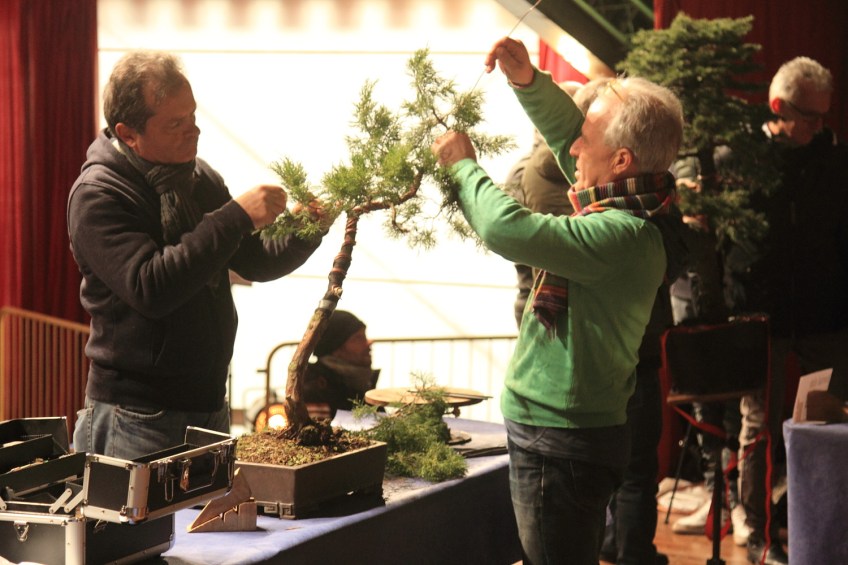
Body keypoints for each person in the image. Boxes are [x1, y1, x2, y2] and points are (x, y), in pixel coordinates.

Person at [431, 37, 684, 565]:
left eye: (585, 142)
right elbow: (575, 134)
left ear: (621, 160)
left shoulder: (621, 234)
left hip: (561, 439)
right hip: (564, 432)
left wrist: (463, 167)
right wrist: (527, 80)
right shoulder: (635, 199)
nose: (572, 150)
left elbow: (507, 228)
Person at [68, 51, 333, 460]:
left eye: (192, 116)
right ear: (128, 133)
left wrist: (305, 230)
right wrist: (235, 217)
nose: (194, 130)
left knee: (211, 508)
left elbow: (254, 260)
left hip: (209, 403)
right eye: (175, 124)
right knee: (137, 509)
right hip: (136, 414)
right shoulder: (99, 195)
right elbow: (151, 287)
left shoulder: (198, 177)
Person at [724, 56, 848, 565]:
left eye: (824, 116)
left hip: (825, 319)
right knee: (759, 426)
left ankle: (816, 526)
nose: (819, 126)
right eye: (810, 116)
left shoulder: (836, 161)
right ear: (778, 107)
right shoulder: (740, 160)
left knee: (826, 426)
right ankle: (758, 531)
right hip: (762, 316)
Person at [302, 310, 380, 420]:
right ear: (335, 348)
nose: (369, 343)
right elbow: (315, 428)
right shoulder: (316, 390)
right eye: (358, 338)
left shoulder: (359, 383)